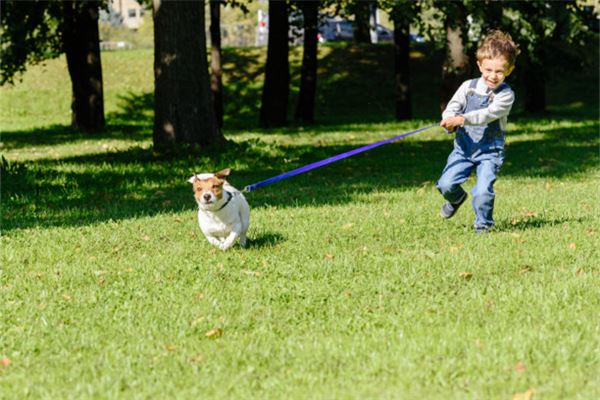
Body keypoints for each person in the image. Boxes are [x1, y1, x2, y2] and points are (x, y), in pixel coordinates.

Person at [437, 30, 520, 234]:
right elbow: (453, 106)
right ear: (480, 65)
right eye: (489, 69)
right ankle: (456, 198)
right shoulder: (468, 86)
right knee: (445, 184)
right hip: (463, 149)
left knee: (483, 191)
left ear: (509, 70)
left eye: (500, 71)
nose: (493, 76)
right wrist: (449, 119)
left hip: (489, 151)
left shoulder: (506, 95)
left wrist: (462, 119)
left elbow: (487, 115)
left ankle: (483, 224)